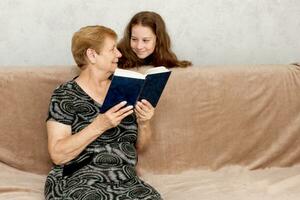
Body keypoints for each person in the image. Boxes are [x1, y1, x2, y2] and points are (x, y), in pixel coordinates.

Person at [44, 25, 162, 200]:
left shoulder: (125, 88)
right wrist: (99, 125)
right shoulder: (65, 95)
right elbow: (57, 155)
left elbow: (139, 147)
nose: (119, 54)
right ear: (92, 55)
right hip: (79, 178)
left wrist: (144, 123)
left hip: (124, 180)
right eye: (112, 49)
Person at [118, 11, 192, 69]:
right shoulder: (117, 56)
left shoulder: (163, 57)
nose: (139, 46)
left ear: (158, 40)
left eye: (145, 40)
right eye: (134, 39)